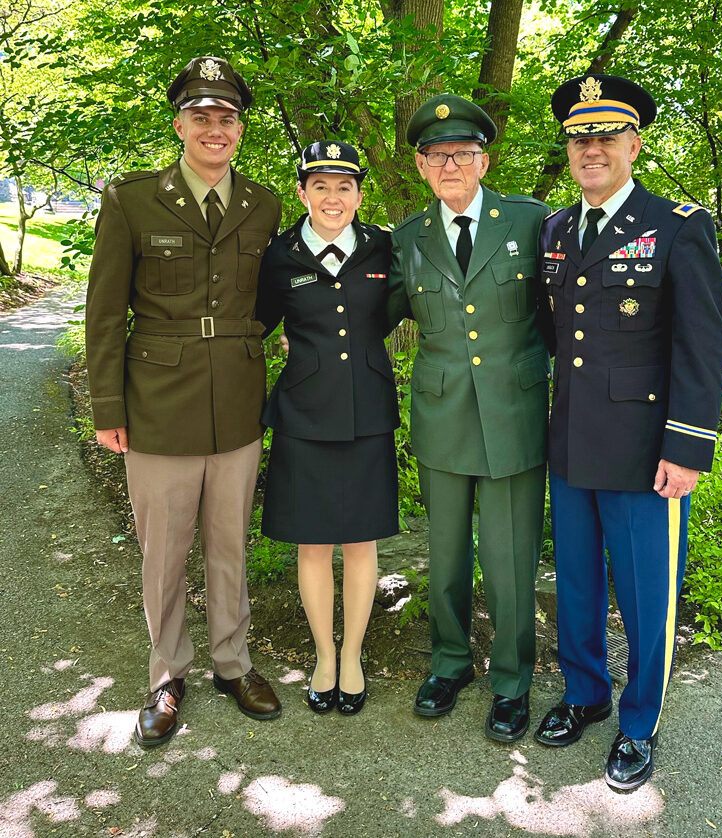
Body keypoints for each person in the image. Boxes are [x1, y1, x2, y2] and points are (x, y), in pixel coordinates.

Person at [533, 74, 722, 791]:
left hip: (648, 452)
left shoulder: (677, 224)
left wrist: (686, 445)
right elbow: (555, 337)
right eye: (580, 137)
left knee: (648, 595)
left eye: (606, 136)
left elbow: (703, 345)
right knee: (578, 584)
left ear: (633, 143)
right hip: (573, 439)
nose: (591, 149)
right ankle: (586, 693)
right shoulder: (556, 229)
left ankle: (639, 721)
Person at [85, 56, 282, 749]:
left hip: (235, 399)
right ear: (180, 123)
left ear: (240, 130)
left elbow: (271, 303)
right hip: (157, 402)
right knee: (163, 552)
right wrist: (108, 406)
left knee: (230, 545)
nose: (215, 128)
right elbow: (105, 312)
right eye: (202, 116)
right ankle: (167, 674)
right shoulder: (132, 198)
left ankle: (233, 662)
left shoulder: (264, 204)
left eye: (226, 118)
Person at [387, 94, 552, 742]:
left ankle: (511, 680)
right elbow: (374, 313)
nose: (448, 163)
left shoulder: (533, 223)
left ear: (483, 159)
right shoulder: (407, 239)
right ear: (423, 167)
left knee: (511, 560)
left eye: (461, 153)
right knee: (447, 555)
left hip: (513, 417)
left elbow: (565, 314)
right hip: (441, 417)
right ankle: (451, 662)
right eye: (436, 154)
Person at [256, 141, 398, 716]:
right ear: (302, 192)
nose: (332, 197)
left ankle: (355, 655)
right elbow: (259, 323)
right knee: (313, 543)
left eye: (344, 186)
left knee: (361, 542)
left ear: (360, 195)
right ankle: (322, 654)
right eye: (320, 185)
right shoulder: (279, 255)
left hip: (367, 412)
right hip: (304, 415)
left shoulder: (384, 247)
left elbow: (405, 310)